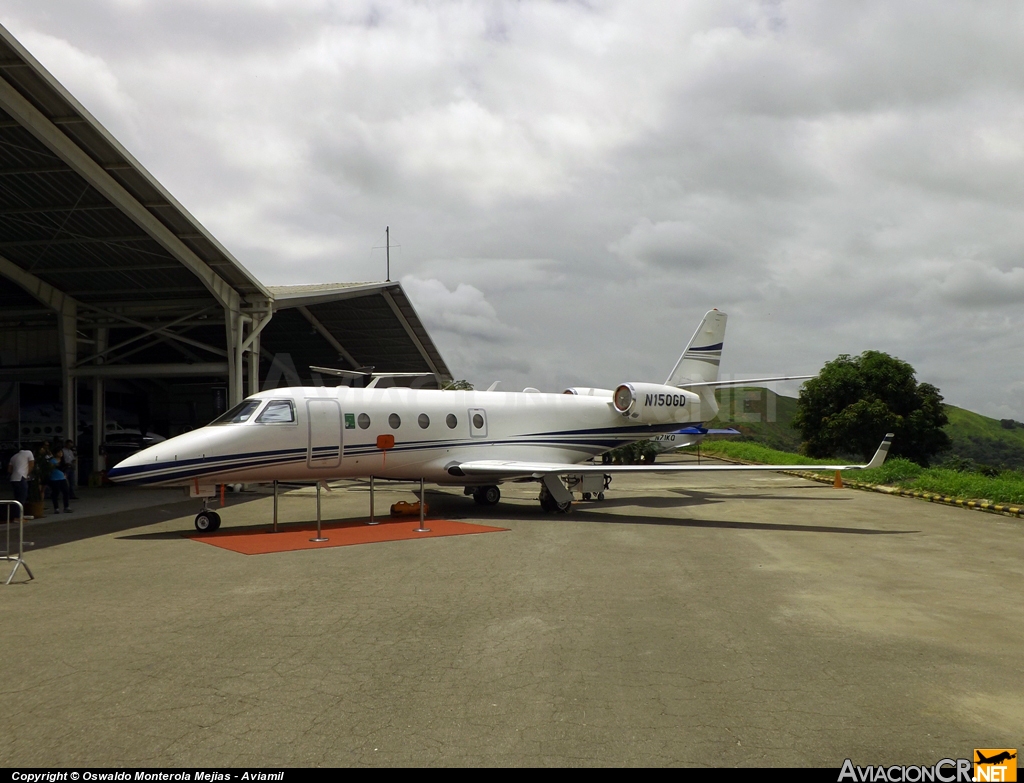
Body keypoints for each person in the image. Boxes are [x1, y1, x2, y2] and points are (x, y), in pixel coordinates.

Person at [7, 447, 35, 521]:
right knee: (22, 497)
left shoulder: (14, 456)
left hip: (13, 478)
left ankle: (16, 515)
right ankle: (18, 517)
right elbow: (31, 465)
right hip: (21, 477)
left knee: (17, 498)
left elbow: (9, 470)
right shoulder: (29, 452)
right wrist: (27, 475)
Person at [48, 449, 72, 514]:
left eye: (61, 452)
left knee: (66, 492)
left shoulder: (63, 461)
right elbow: (50, 469)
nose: (60, 453)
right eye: (59, 452)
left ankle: (66, 506)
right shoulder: (52, 461)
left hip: (62, 478)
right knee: (55, 493)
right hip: (54, 478)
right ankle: (56, 508)